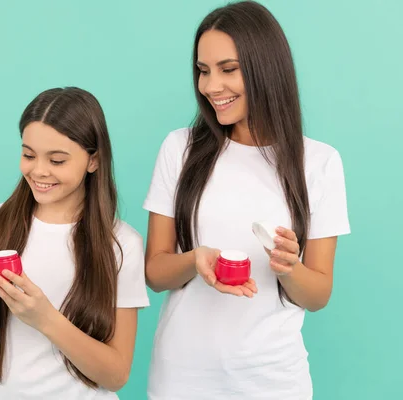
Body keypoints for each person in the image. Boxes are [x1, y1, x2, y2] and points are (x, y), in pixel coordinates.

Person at [142, 1, 350, 399]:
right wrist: (194, 260)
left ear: (264, 68)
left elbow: (318, 295)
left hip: (273, 380)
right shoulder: (179, 149)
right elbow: (155, 272)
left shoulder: (320, 163)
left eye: (228, 69)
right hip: (181, 377)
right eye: (203, 71)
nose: (210, 86)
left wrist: (289, 267)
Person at [0, 87, 149, 399]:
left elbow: (117, 374)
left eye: (57, 160)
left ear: (93, 160)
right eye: (28, 155)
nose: (38, 170)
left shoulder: (121, 244)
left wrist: (46, 319)